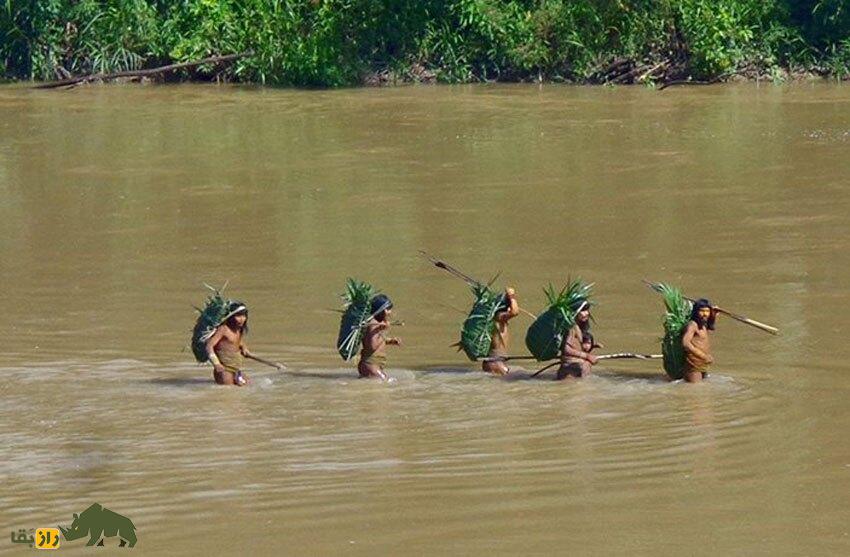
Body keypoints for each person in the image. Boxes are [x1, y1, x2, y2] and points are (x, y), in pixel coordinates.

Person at [205, 301, 252, 386]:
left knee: (248, 384)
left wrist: (244, 347)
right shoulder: (223, 329)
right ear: (231, 317)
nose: (242, 319)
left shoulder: (239, 329)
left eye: (244, 316)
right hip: (224, 369)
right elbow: (209, 346)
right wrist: (216, 363)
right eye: (238, 316)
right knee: (228, 393)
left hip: (236, 369)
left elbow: (236, 341)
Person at [359, 294, 401, 380]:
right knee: (385, 383)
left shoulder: (377, 323)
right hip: (371, 364)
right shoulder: (373, 324)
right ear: (382, 310)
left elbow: (377, 339)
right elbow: (372, 346)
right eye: (388, 310)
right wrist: (384, 330)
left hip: (374, 364)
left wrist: (391, 341)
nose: (390, 312)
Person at [482, 288, 520, 375]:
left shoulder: (496, 318)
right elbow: (515, 312)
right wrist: (512, 296)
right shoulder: (499, 317)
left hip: (495, 360)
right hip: (495, 361)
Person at [556, 303, 599, 379]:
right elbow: (567, 349)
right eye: (582, 310)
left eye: (587, 310)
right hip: (570, 370)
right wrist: (587, 356)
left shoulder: (578, 327)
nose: (586, 313)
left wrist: (592, 346)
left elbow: (575, 345)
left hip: (577, 367)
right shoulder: (572, 328)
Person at [681, 298, 718, 383]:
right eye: (702, 311)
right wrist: (703, 356)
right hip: (693, 365)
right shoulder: (692, 325)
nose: (705, 314)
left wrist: (714, 315)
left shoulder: (703, 324)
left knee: (703, 388)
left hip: (703, 363)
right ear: (696, 312)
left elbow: (710, 327)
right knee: (696, 390)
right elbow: (686, 343)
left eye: (707, 311)